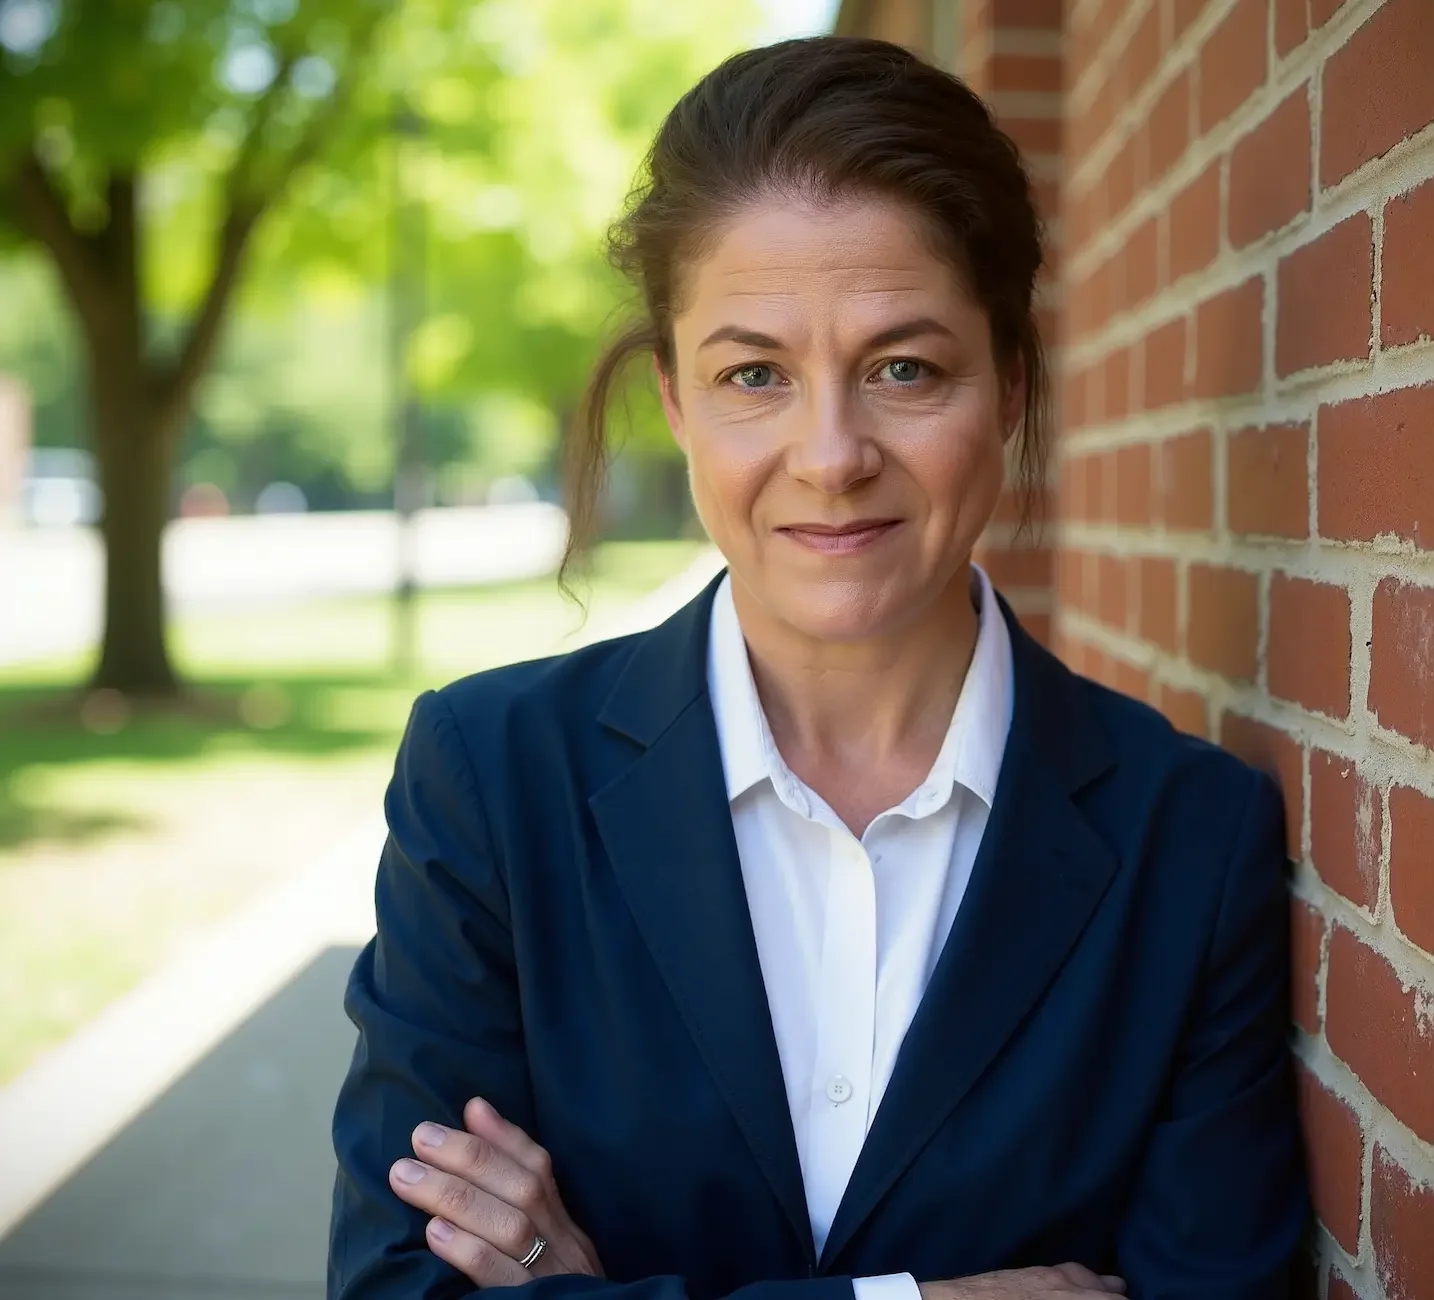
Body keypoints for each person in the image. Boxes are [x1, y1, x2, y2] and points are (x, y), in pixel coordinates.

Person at [326, 35, 1308, 1300]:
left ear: (1008, 386)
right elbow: (400, 1286)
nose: (830, 452)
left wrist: (579, 1283)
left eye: (904, 366)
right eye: (754, 375)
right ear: (677, 403)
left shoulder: (1191, 838)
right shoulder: (491, 779)